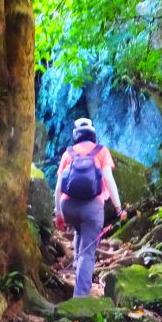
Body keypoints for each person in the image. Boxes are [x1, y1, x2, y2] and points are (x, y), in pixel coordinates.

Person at [54, 118, 128, 297]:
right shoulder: (101, 151)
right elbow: (109, 180)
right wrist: (119, 209)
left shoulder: (68, 153)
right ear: (93, 133)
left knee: (80, 234)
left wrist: (59, 213)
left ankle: (77, 280)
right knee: (87, 253)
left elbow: (58, 187)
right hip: (92, 209)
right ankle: (80, 299)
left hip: (68, 206)